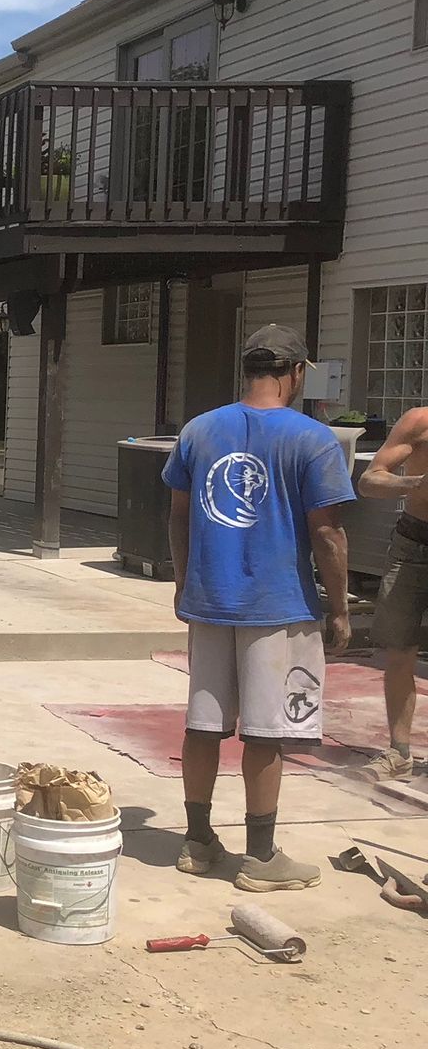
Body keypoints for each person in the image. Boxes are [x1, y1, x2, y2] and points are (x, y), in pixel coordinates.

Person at [162, 323, 355, 892]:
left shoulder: (198, 430)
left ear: (245, 370)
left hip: (210, 599)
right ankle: (262, 858)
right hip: (279, 604)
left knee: (203, 725)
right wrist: (339, 607)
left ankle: (197, 843)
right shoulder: (312, 438)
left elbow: (177, 515)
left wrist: (182, 581)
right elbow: (329, 534)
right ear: (296, 373)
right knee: (266, 733)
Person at [356, 404, 428, 780]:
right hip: (413, 542)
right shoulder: (420, 422)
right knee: (399, 649)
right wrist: (413, 483)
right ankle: (399, 752)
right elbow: (369, 481)